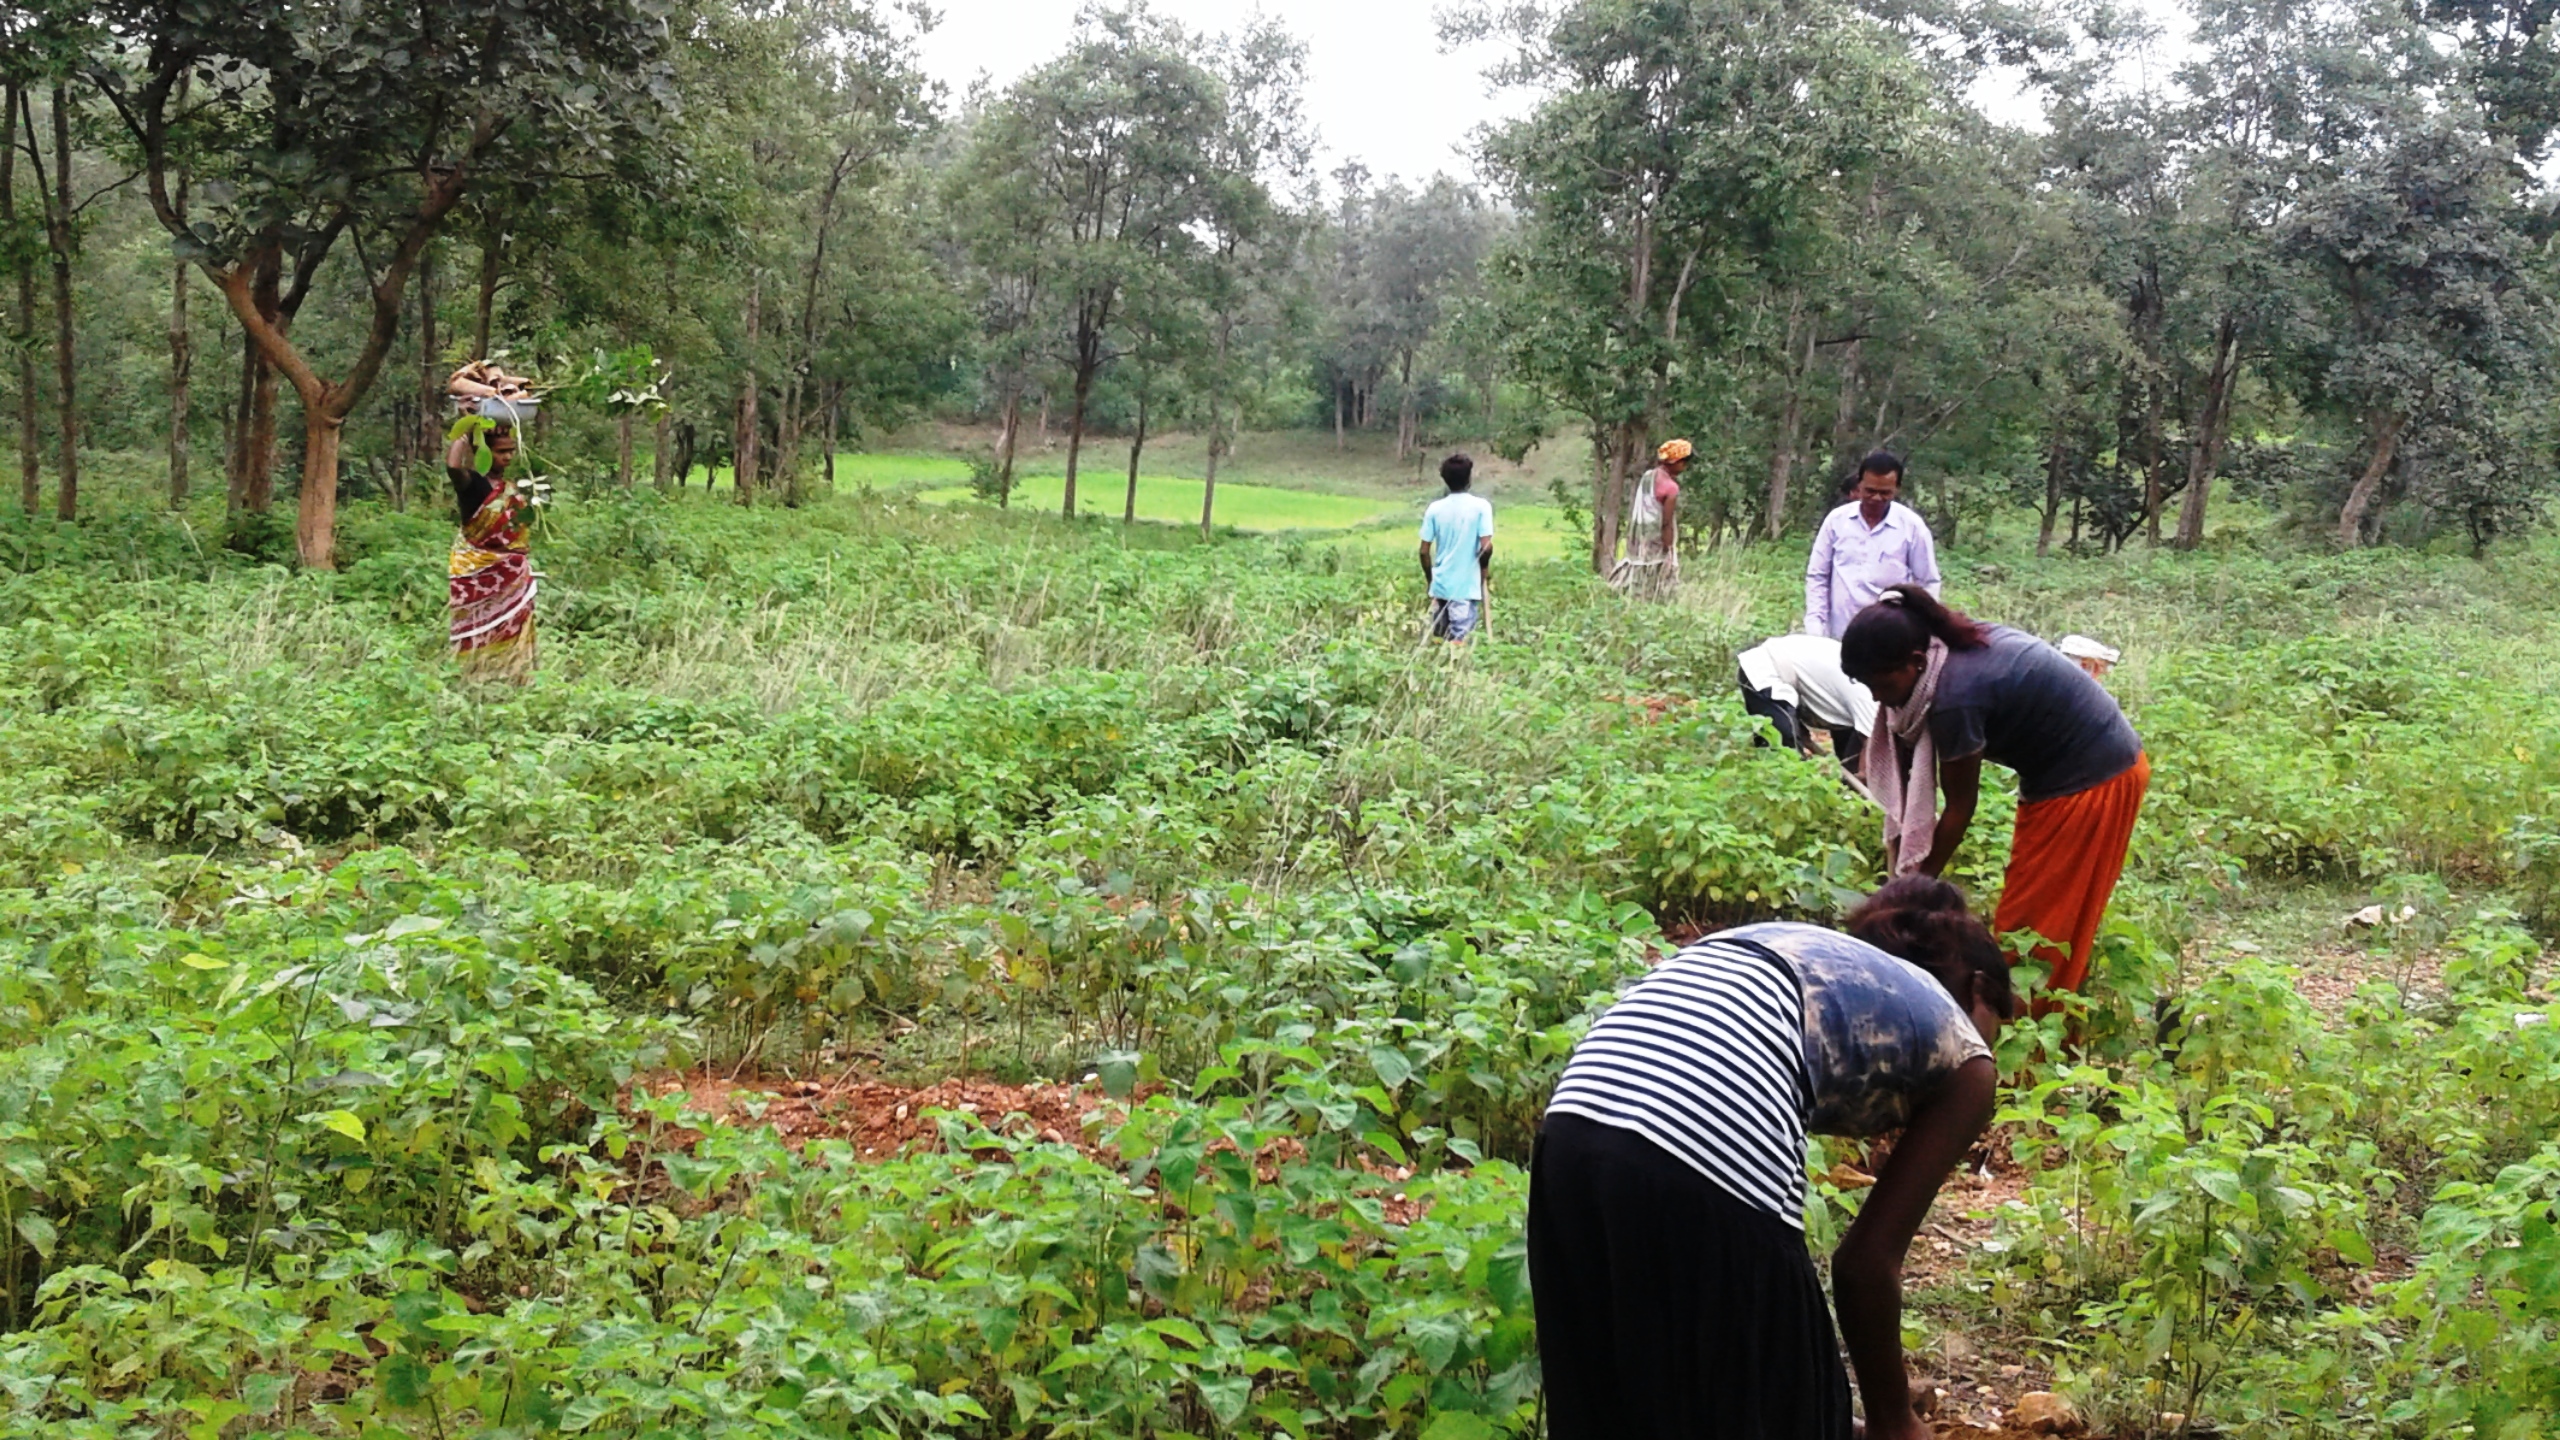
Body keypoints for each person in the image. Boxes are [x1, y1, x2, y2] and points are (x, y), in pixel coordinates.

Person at [1530, 876, 2015, 1440]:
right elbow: (1864, 1265)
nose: (1989, 1046)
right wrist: (1894, 1420)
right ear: (1979, 990)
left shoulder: (1806, 957)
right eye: (1997, 1026)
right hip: (1703, 1137)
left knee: (1612, 1405)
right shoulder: (1964, 1052)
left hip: (1573, 1125)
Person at [1840, 586, 2149, 996]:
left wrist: (1910, 892)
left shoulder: (1954, 698)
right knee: (2035, 911)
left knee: (2039, 927)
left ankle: (2031, 1041)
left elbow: (1960, 806)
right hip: (2057, 779)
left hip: (2095, 780)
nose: (1875, 697)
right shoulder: (1937, 647)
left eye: (1879, 682)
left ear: (1915, 663)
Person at [1804, 452, 1942, 639]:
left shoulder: (1912, 527)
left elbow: (1927, 582)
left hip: (1891, 635)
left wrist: (1919, 629)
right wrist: (1815, 626)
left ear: (1897, 489)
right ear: (1859, 485)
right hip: (1839, 634)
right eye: (1870, 491)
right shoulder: (1836, 521)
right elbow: (1818, 576)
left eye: (1885, 493)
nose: (1876, 498)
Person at [446, 414, 538, 684]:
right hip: (477, 570)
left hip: (511, 572)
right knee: (477, 629)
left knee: (513, 625)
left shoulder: (511, 488)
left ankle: (513, 678)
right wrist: (466, 433)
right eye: (500, 452)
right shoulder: (473, 484)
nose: (507, 458)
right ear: (484, 451)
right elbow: (453, 467)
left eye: (510, 452)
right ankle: (476, 679)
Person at [1737, 633, 1878, 775]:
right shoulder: (1868, 695)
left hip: (1804, 679)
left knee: (1850, 755)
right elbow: (1872, 747)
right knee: (1784, 751)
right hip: (1765, 669)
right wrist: (1864, 776)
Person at [1419, 453, 1494, 643]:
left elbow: (1424, 551)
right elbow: (1486, 548)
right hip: (1465, 588)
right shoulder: (1481, 507)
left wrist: (1431, 580)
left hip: (1441, 586)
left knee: (1441, 641)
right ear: (1469, 478)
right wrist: (1484, 571)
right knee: (1459, 644)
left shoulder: (1434, 508)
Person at [1612, 438, 1688, 597]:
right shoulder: (1670, 488)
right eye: (1683, 461)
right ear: (1674, 461)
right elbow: (1666, 523)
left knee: (1637, 577)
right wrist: (1669, 549)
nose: (1684, 465)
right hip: (1655, 540)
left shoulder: (1648, 476)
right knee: (1656, 582)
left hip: (1638, 537)